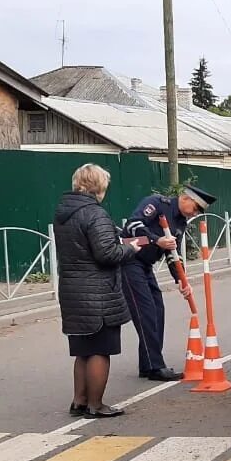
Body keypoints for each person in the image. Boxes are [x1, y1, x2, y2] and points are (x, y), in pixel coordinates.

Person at [53, 164, 139, 418]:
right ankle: (96, 405)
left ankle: (79, 401)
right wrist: (131, 248)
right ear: (98, 186)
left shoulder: (63, 213)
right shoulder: (95, 214)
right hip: (98, 294)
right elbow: (107, 254)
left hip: (72, 291)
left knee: (82, 350)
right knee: (100, 350)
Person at [121, 184, 216, 380]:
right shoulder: (156, 203)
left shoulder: (181, 222)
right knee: (145, 312)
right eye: (196, 208)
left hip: (146, 265)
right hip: (129, 260)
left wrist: (181, 280)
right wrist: (156, 240)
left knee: (158, 311)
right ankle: (156, 366)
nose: (195, 213)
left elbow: (173, 254)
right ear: (185, 198)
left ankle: (147, 364)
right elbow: (132, 226)